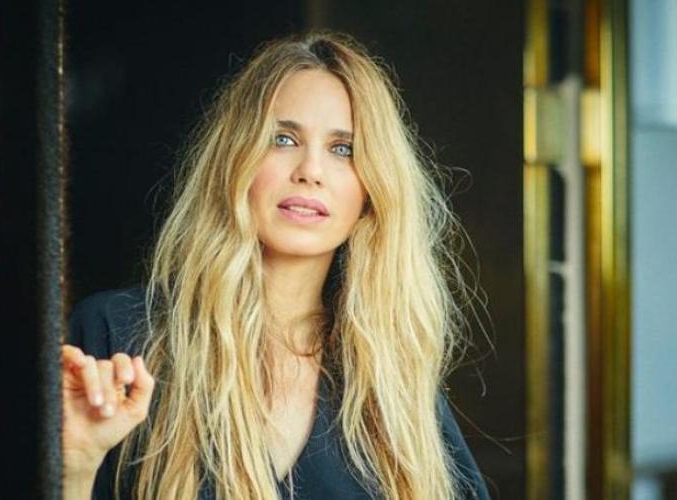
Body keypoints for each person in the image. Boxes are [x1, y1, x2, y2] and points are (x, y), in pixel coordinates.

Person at [61, 31, 490, 500]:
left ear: (372, 191)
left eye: (343, 149)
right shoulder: (120, 336)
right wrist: (74, 467)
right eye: (283, 139)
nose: (310, 170)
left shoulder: (391, 381)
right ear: (235, 160)